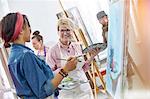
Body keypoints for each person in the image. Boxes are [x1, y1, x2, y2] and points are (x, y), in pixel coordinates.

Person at [0, 12, 78, 99]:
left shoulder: (13, 57)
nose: (30, 29)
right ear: (21, 30)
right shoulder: (26, 56)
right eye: (27, 26)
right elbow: (44, 91)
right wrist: (65, 69)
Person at [46, 18, 93, 99]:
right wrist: (66, 68)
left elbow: (83, 69)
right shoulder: (52, 51)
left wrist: (91, 57)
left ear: (72, 31)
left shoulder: (77, 46)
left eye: (68, 30)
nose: (65, 33)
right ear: (58, 32)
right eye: (62, 30)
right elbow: (49, 75)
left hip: (84, 89)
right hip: (67, 93)